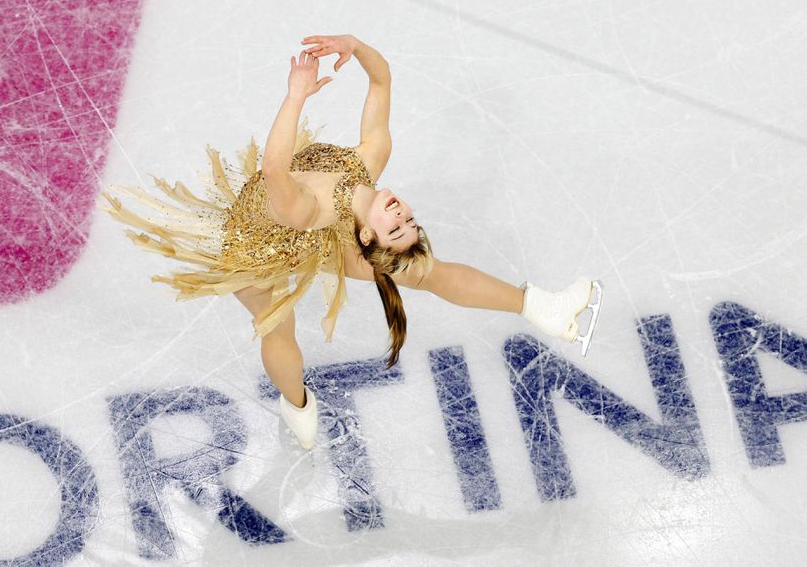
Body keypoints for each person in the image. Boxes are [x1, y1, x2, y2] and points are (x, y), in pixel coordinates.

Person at [97, 34, 603, 451]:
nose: (402, 212)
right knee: (295, 320)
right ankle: (300, 405)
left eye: (395, 227)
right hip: (288, 232)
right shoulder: (370, 161)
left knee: (278, 325)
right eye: (408, 219)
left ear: (365, 235)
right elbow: (383, 79)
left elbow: (274, 168)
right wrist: (356, 47)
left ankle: (543, 308)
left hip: (255, 245)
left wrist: (296, 94)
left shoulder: (308, 209)